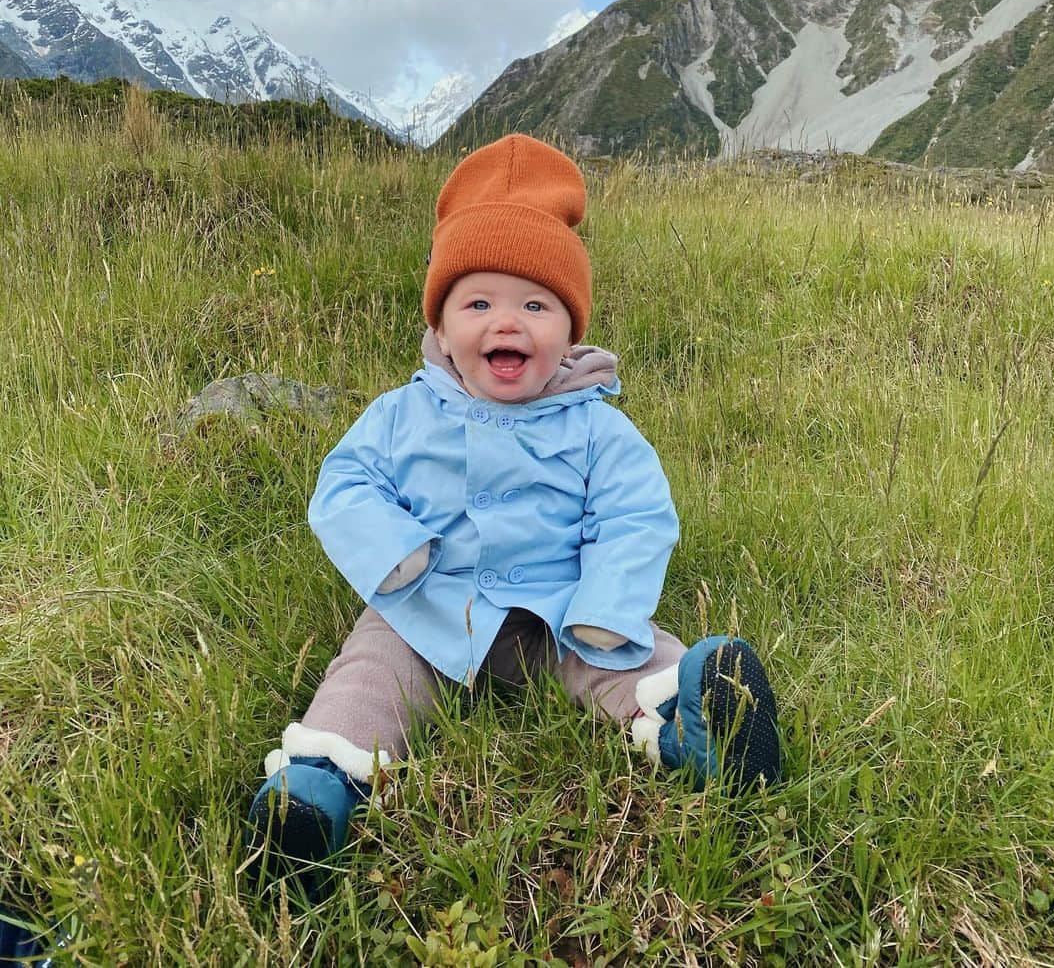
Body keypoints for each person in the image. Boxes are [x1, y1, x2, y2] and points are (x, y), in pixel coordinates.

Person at [247, 134, 780, 887]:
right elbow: (345, 485)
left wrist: (606, 604)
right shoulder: (402, 414)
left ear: (569, 330)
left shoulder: (596, 423)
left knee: (631, 658)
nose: (507, 323)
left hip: (560, 610)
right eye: (478, 303)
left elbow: (635, 514)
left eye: (536, 304)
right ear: (440, 326)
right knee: (370, 673)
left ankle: (697, 722)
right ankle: (314, 793)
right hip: (429, 604)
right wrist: (393, 552)